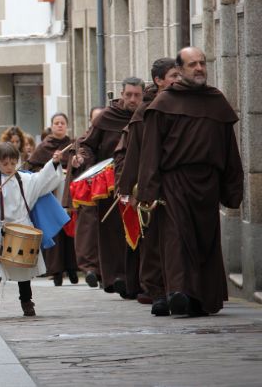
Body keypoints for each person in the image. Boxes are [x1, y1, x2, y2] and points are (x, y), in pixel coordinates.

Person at [137, 47, 243, 316]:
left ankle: (202, 298)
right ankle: (178, 291)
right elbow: (151, 151)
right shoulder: (163, 104)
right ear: (180, 69)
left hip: (208, 182)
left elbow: (230, 148)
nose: (199, 68)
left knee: (204, 241)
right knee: (176, 237)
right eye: (192, 64)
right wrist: (148, 189)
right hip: (175, 181)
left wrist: (232, 187)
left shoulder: (216, 100)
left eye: (202, 63)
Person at [114, 58, 180, 315]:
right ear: (159, 80)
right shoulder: (145, 111)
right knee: (152, 240)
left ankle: (177, 289)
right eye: (173, 75)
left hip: (178, 183)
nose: (177, 80)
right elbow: (132, 153)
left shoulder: (183, 103)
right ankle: (157, 292)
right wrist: (128, 188)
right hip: (151, 184)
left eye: (178, 75)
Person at [0, 143, 66, 318]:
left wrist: (53, 163)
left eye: (12, 163)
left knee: (23, 268)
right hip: (0, 231)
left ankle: (26, 301)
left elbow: (42, 180)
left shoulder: (25, 179)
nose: (9, 168)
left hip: (22, 228)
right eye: (5, 164)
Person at [74, 78, 143, 298]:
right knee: (112, 234)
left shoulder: (145, 115)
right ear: (121, 94)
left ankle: (135, 279)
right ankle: (114, 277)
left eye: (137, 95)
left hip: (137, 185)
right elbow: (87, 144)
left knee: (138, 232)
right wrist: (83, 159)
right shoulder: (106, 117)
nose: (132, 99)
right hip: (109, 186)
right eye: (129, 94)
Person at [26, 113, 76, 286]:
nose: (60, 126)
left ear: (67, 126)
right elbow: (31, 167)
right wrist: (52, 168)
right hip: (52, 193)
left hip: (69, 191)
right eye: (56, 123)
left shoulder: (73, 145)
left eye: (63, 123)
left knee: (70, 229)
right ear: (52, 126)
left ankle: (72, 267)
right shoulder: (44, 147)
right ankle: (56, 270)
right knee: (55, 230)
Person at [63, 106, 104, 288]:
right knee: (87, 232)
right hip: (88, 194)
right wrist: (78, 160)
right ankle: (89, 269)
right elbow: (78, 160)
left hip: (108, 193)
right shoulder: (82, 141)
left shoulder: (112, 136)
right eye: (96, 119)